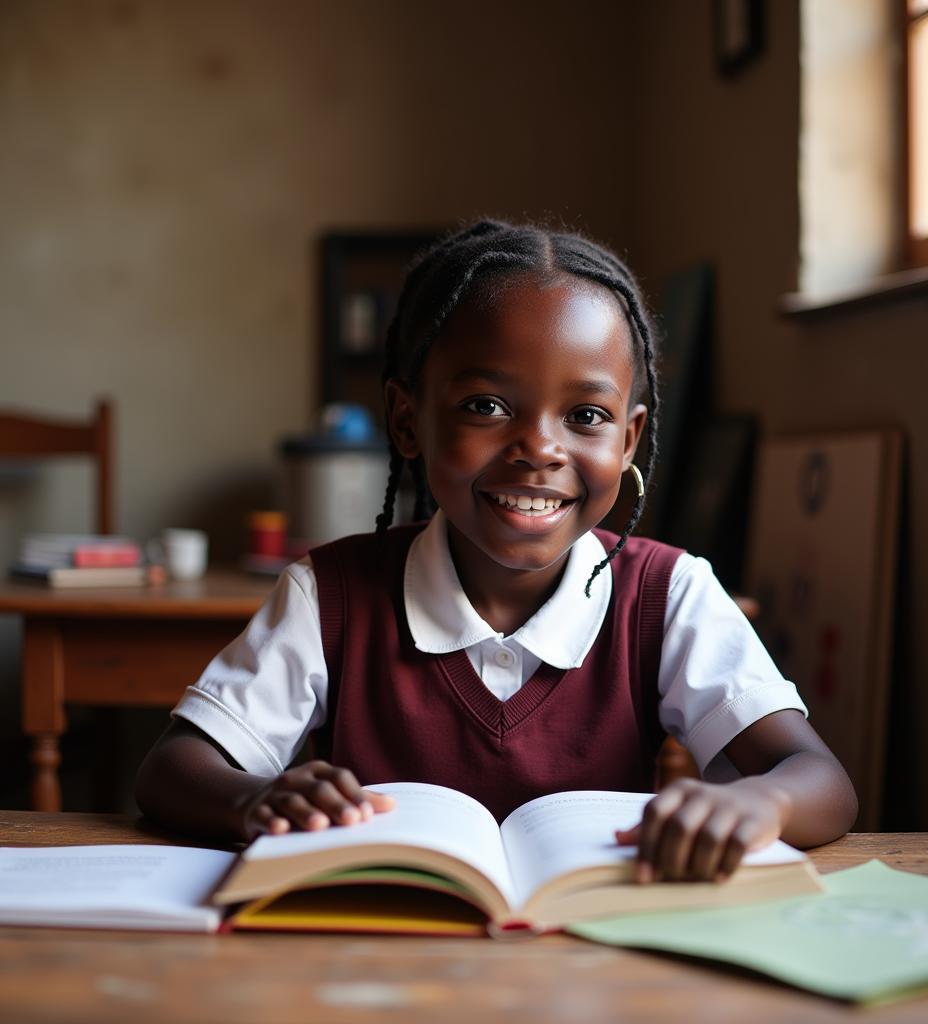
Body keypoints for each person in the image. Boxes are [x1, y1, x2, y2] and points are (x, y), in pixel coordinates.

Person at [136, 220, 857, 883]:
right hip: (380, 949)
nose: (540, 448)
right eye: (486, 406)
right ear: (408, 420)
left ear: (629, 439)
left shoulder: (667, 595)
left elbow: (821, 781)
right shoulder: (332, 595)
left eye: (586, 416)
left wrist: (764, 805)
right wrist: (256, 797)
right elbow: (173, 769)